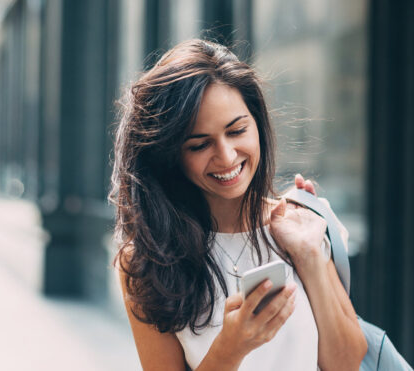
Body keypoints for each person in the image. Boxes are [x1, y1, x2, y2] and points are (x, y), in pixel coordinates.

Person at [109, 39, 368, 370]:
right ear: (171, 155)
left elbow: (347, 363)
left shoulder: (300, 224)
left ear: (257, 123)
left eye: (237, 130)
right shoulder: (147, 261)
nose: (226, 157)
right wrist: (230, 349)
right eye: (200, 144)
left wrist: (310, 256)